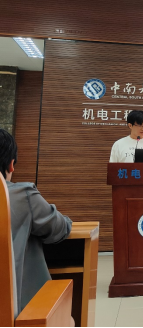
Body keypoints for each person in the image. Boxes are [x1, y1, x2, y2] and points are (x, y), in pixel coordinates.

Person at [0, 129, 72, 317]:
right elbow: (59, 228)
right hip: (14, 311)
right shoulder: (22, 195)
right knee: (69, 319)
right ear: (11, 164)